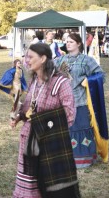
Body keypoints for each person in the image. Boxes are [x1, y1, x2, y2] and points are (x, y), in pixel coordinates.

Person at [10, 43, 80, 197]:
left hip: (50, 144)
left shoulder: (61, 83)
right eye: (26, 56)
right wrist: (19, 116)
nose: (26, 60)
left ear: (42, 58)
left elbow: (69, 114)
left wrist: (40, 121)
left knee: (51, 188)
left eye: (30, 57)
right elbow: (29, 106)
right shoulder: (34, 82)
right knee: (30, 186)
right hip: (30, 142)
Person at [55, 33, 104, 168]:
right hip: (62, 102)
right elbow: (49, 74)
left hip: (80, 101)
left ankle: (83, 159)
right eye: (66, 41)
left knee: (80, 127)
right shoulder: (59, 60)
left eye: (71, 41)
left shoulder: (87, 60)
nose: (68, 43)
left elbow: (100, 75)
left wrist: (85, 81)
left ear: (79, 44)